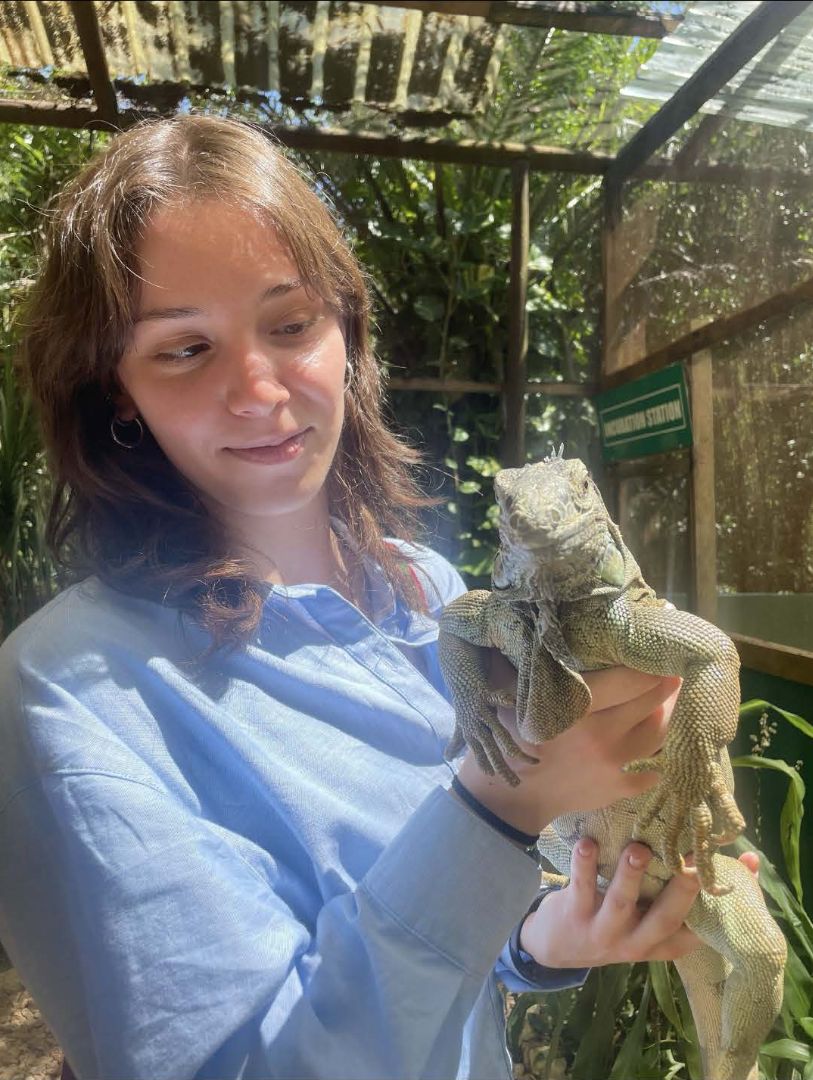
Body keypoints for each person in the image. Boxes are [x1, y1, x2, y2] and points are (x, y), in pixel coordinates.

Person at [0, 114, 757, 1080]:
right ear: (115, 390)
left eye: (290, 322)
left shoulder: (427, 588)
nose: (260, 386)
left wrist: (538, 942)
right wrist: (495, 810)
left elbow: (426, 957)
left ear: (346, 336)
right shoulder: (66, 693)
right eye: (184, 349)